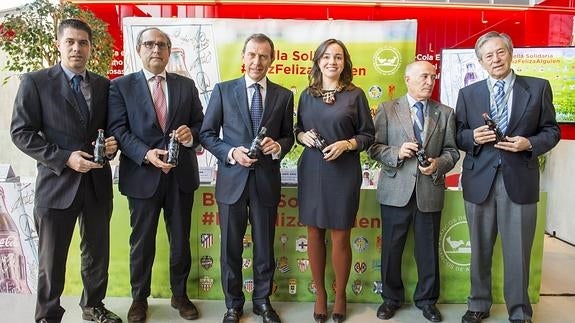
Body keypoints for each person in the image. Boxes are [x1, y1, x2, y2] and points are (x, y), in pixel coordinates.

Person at [10, 19, 121, 323]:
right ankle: (48, 314)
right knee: (52, 258)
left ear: (90, 47)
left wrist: (113, 144)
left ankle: (93, 305)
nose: (77, 48)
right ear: (59, 44)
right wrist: (63, 158)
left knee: (97, 253)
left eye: (83, 42)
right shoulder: (36, 82)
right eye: (70, 41)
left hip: (97, 183)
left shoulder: (103, 85)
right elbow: (21, 133)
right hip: (57, 183)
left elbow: (111, 129)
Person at [455, 31, 560, 323]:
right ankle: (478, 304)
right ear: (480, 62)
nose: (495, 59)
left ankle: (519, 311)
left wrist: (530, 144)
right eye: (488, 56)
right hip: (479, 182)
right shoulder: (468, 93)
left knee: (518, 252)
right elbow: (458, 135)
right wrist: (472, 137)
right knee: (479, 249)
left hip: (520, 179)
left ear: (511, 53)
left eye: (500, 52)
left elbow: (552, 131)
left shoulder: (538, 88)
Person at [107, 27, 204, 322]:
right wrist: (146, 154)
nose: (156, 50)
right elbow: (118, 130)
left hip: (180, 176)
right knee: (142, 242)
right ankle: (139, 299)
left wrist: (190, 137)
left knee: (180, 240)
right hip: (142, 176)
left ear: (168, 50)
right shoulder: (121, 86)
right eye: (149, 44)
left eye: (162, 45)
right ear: (139, 49)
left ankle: (180, 295)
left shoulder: (185, 86)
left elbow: (202, 127)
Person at [199, 33, 294, 323]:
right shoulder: (223, 90)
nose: (257, 61)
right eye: (252, 54)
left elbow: (288, 136)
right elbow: (206, 134)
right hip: (232, 182)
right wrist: (230, 153)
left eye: (263, 56)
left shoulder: (284, 95)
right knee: (230, 248)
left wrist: (278, 146)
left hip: (265, 182)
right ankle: (233, 304)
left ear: (272, 60)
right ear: (243, 57)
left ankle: (263, 302)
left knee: (265, 248)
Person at [367, 60, 459, 322]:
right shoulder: (387, 109)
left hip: (429, 190)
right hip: (395, 190)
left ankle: (428, 301)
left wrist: (438, 164)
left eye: (433, 77)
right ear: (407, 79)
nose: (430, 81)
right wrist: (397, 152)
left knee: (427, 250)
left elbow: (452, 152)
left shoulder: (446, 113)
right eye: (424, 76)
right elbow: (373, 147)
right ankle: (390, 299)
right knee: (392, 249)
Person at [294, 38, 375, 323]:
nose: (332, 62)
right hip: (313, 169)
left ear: (345, 63)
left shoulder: (355, 95)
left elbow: (368, 135)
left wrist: (347, 144)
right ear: (318, 61)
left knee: (340, 235)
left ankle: (340, 295)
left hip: (343, 171)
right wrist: (302, 136)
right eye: (326, 57)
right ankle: (320, 295)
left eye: (338, 57)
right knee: (314, 232)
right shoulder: (306, 95)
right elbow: (298, 130)